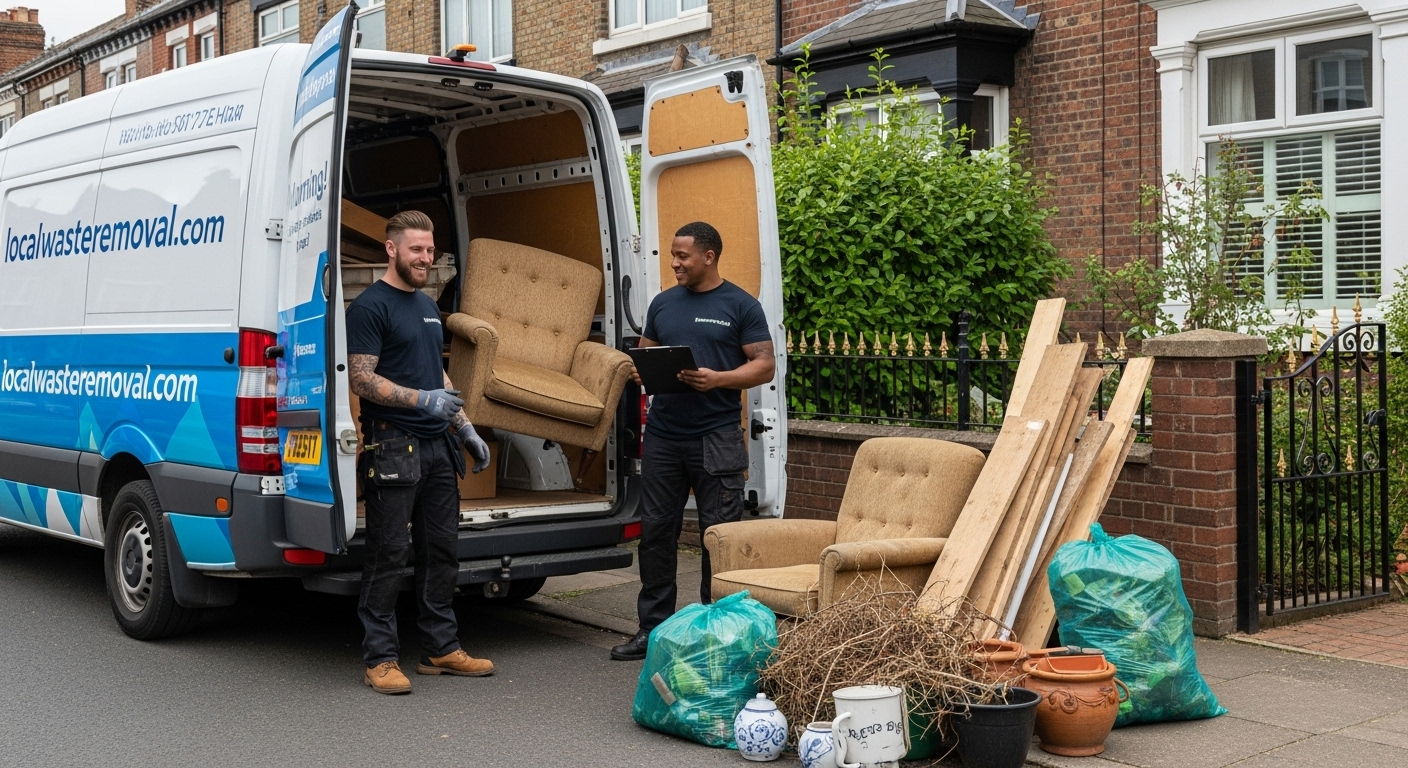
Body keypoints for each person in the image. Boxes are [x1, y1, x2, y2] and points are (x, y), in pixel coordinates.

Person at [610, 221, 775, 661]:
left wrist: (717, 379)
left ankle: (714, 634)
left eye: (683, 256)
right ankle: (654, 631)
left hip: (716, 437)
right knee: (655, 534)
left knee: (716, 538)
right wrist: (641, 370)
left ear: (708, 256)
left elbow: (764, 365)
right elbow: (643, 357)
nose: (675, 263)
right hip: (664, 437)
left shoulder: (741, 304)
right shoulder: (664, 304)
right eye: (673, 255)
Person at [345, 210, 494, 694]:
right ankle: (381, 658)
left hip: (437, 446)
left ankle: (440, 648)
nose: (425, 258)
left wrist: (465, 427)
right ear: (392, 249)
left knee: (442, 552)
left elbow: (438, 376)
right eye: (416, 250)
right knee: (388, 553)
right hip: (393, 446)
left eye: (430, 251)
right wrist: (419, 400)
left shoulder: (428, 306)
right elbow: (360, 378)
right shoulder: (370, 307)